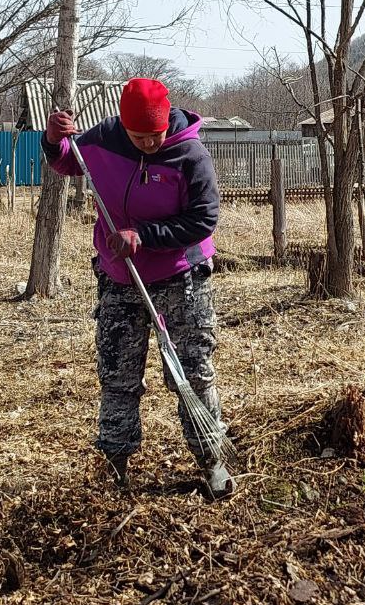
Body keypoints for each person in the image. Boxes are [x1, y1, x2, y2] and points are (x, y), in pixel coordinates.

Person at [43, 77, 233, 499]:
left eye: (156, 135)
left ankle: (212, 460)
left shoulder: (190, 155)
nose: (149, 143)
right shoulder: (105, 141)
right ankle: (115, 465)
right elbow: (68, 162)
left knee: (192, 372)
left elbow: (203, 220)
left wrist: (144, 235)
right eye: (139, 136)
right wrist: (53, 140)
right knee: (117, 375)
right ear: (124, 127)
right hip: (119, 278)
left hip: (180, 276)